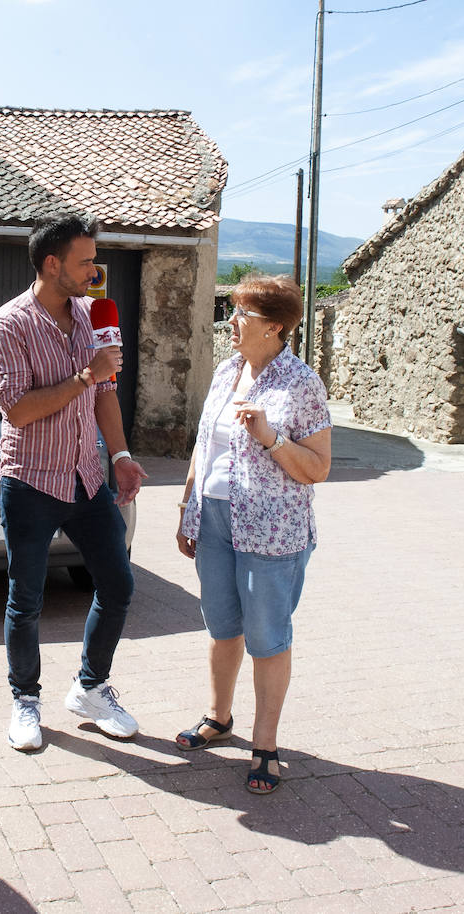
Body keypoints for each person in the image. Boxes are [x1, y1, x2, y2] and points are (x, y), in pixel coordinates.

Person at [0, 214, 150, 752]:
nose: (95, 270)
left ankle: (90, 688)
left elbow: (104, 395)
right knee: (26, 599)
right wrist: (85, 374)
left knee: (118, 585)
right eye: (85, 261)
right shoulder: (7, 326)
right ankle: (25, 701)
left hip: (86, 476)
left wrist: (120, 455)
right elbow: (20, 410)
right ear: (52, 264)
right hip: (30, 482)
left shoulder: (89, 317)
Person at [173, 274, 331, 795]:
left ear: (277, 327)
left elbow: (317, 468)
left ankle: (265, 745)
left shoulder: (301, 384)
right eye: (234, 310)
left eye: (243, 313)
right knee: (222, 627)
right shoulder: (225, 370)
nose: (232, 322)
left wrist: (271, 438)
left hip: (272, 531)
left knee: (267, 638)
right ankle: (219, 718)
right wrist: (187, 504)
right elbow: (204, 443)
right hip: (215, 520)